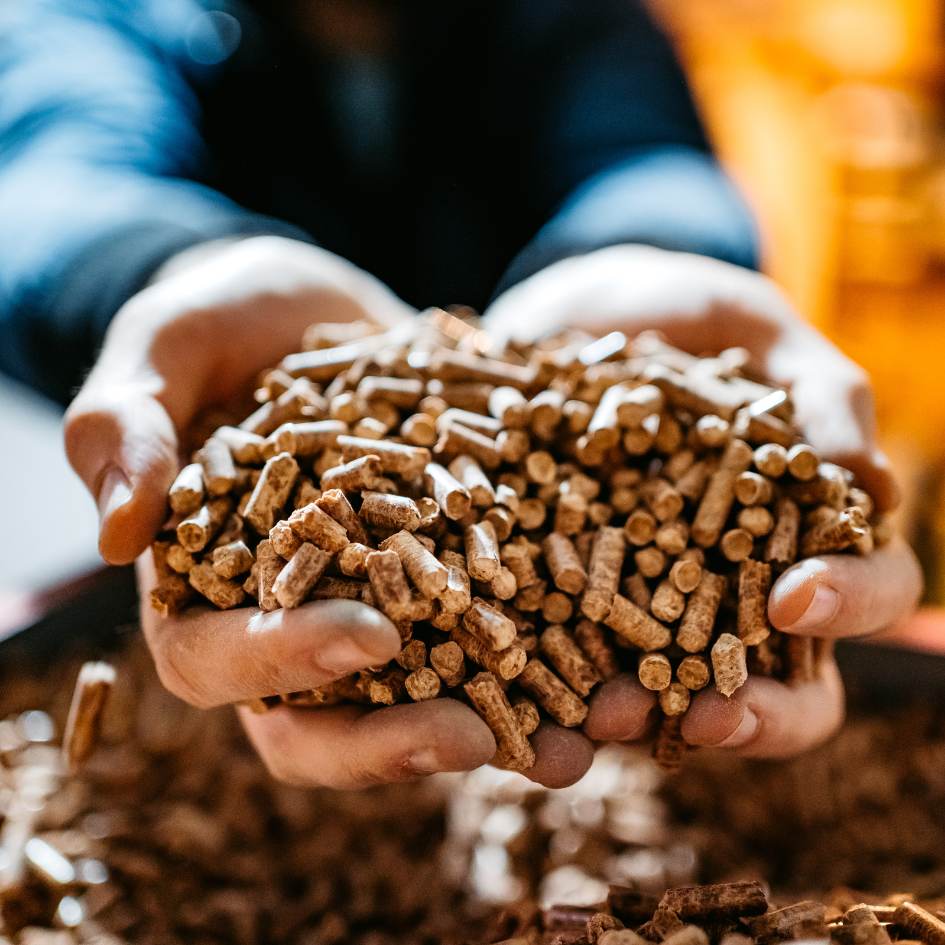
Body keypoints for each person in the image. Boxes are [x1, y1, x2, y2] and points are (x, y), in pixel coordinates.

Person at [0, 0, 921, 789]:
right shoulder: (103, 14)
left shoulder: (573, 19)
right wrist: (164, 269)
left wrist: (649, 253)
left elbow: (642, 155)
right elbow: (54, 173)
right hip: (247, 691)